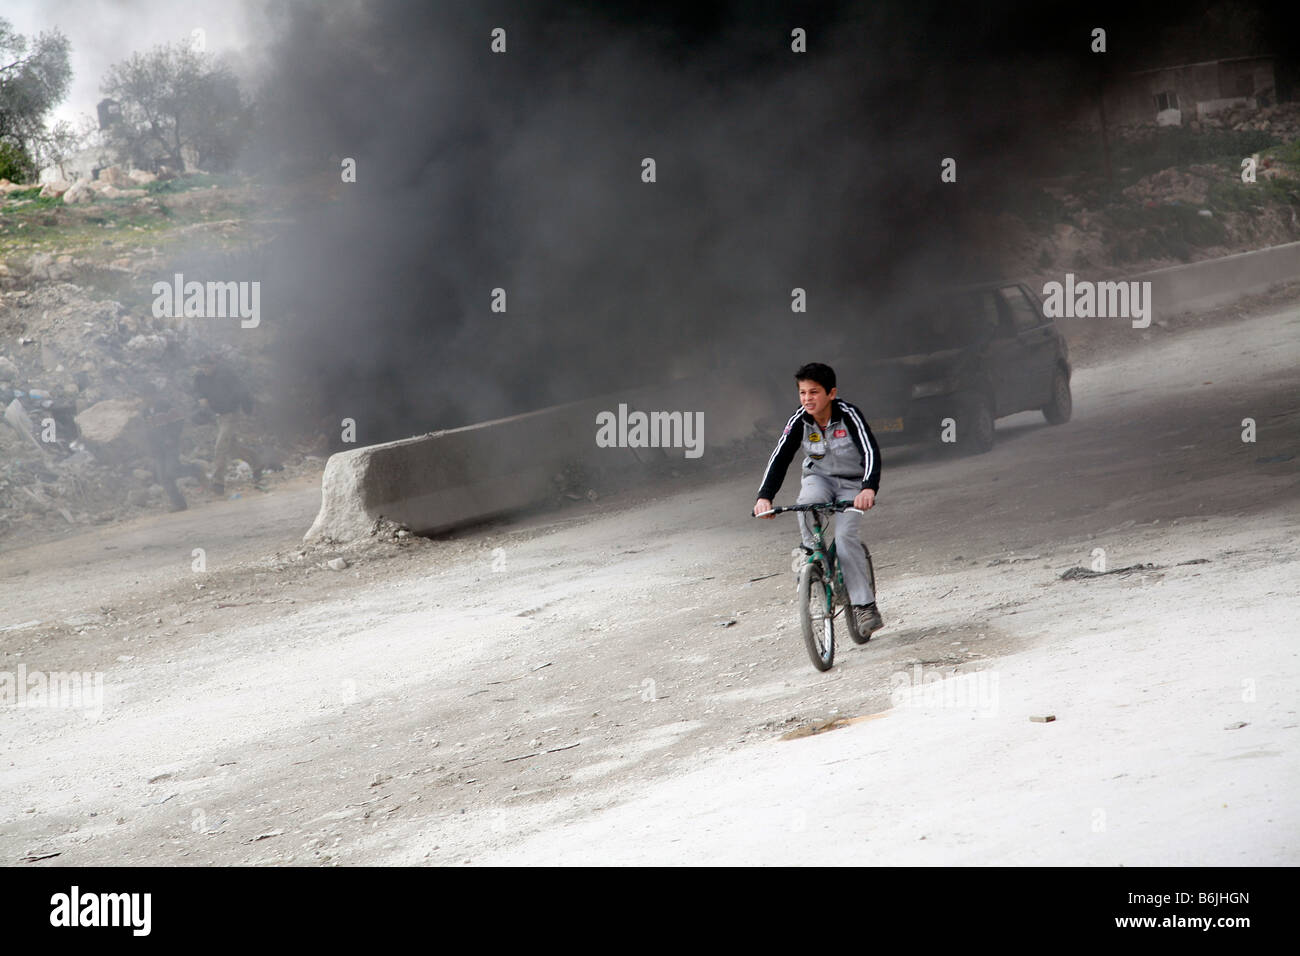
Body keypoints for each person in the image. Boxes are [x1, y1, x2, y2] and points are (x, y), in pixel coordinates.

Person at [753, 362, 884, 635]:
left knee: (846, 539)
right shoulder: (799, 419)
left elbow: (871, 450)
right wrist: (764, 497)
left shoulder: (849, 415)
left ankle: (864, 606)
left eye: (814, 392)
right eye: (802, 393)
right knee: (805, 504)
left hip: (852, 484)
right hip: (819, 479)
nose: (807, 399)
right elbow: (779, 458)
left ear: (831, 393)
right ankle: (811, 560)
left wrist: (868, 488)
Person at [193, 356, 261, 496]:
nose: (206, 370)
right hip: (217, 416)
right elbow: (198, 389)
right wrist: (201, 398)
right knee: (233, 449)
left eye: (208, 367)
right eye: (203, 367)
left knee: (220, 447)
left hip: (230, 415)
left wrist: (247, 408)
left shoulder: (226, 374)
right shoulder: (200, 377)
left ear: (214, 365)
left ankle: (218, 483)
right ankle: (257, 464)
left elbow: (242, 389)